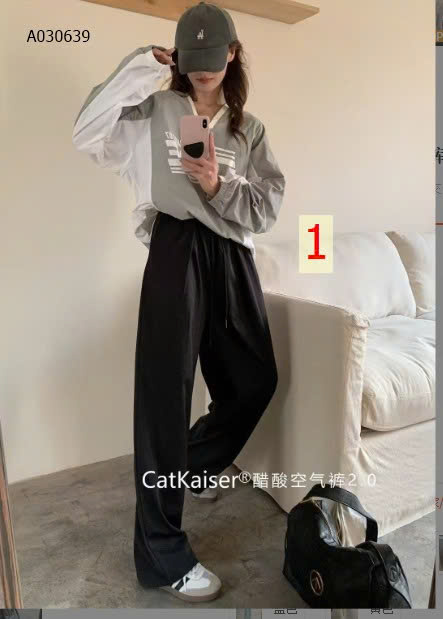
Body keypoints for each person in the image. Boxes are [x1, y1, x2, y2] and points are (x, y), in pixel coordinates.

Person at [72, 0, 285, 603]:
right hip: (176, 249)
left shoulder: (248, 128)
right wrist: (144, 65)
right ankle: (161, 555)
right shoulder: (155, 109)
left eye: (214, 56)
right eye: (193, 59)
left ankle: (184, 470)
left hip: (232, 257)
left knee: (254, 380)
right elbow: (87, 130)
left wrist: (219, 185)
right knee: (164, 397)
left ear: (233, 55)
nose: (203, 69)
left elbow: (268, 207)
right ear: (179, 59)